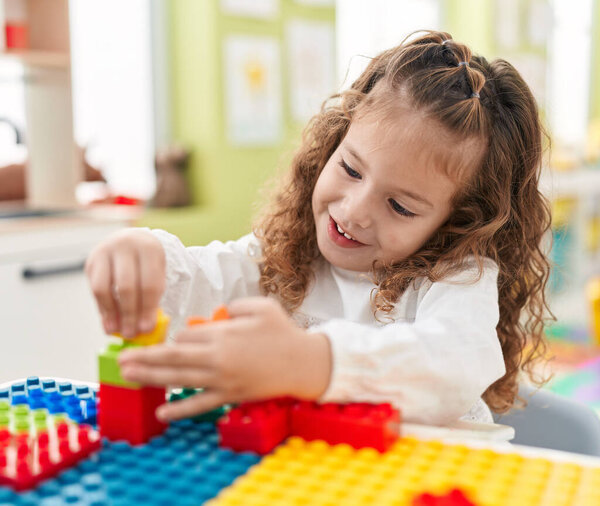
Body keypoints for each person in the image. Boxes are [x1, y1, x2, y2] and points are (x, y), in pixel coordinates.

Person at [85, 31, 552, 426]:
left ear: (457, 223)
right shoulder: (285, 257)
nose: (354, 211)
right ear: (333, 143)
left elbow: (457, 361)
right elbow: (204, 279)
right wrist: (145, 254)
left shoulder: (455, 279)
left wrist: (314, 362)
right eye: (350, 169)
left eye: (400, 206)